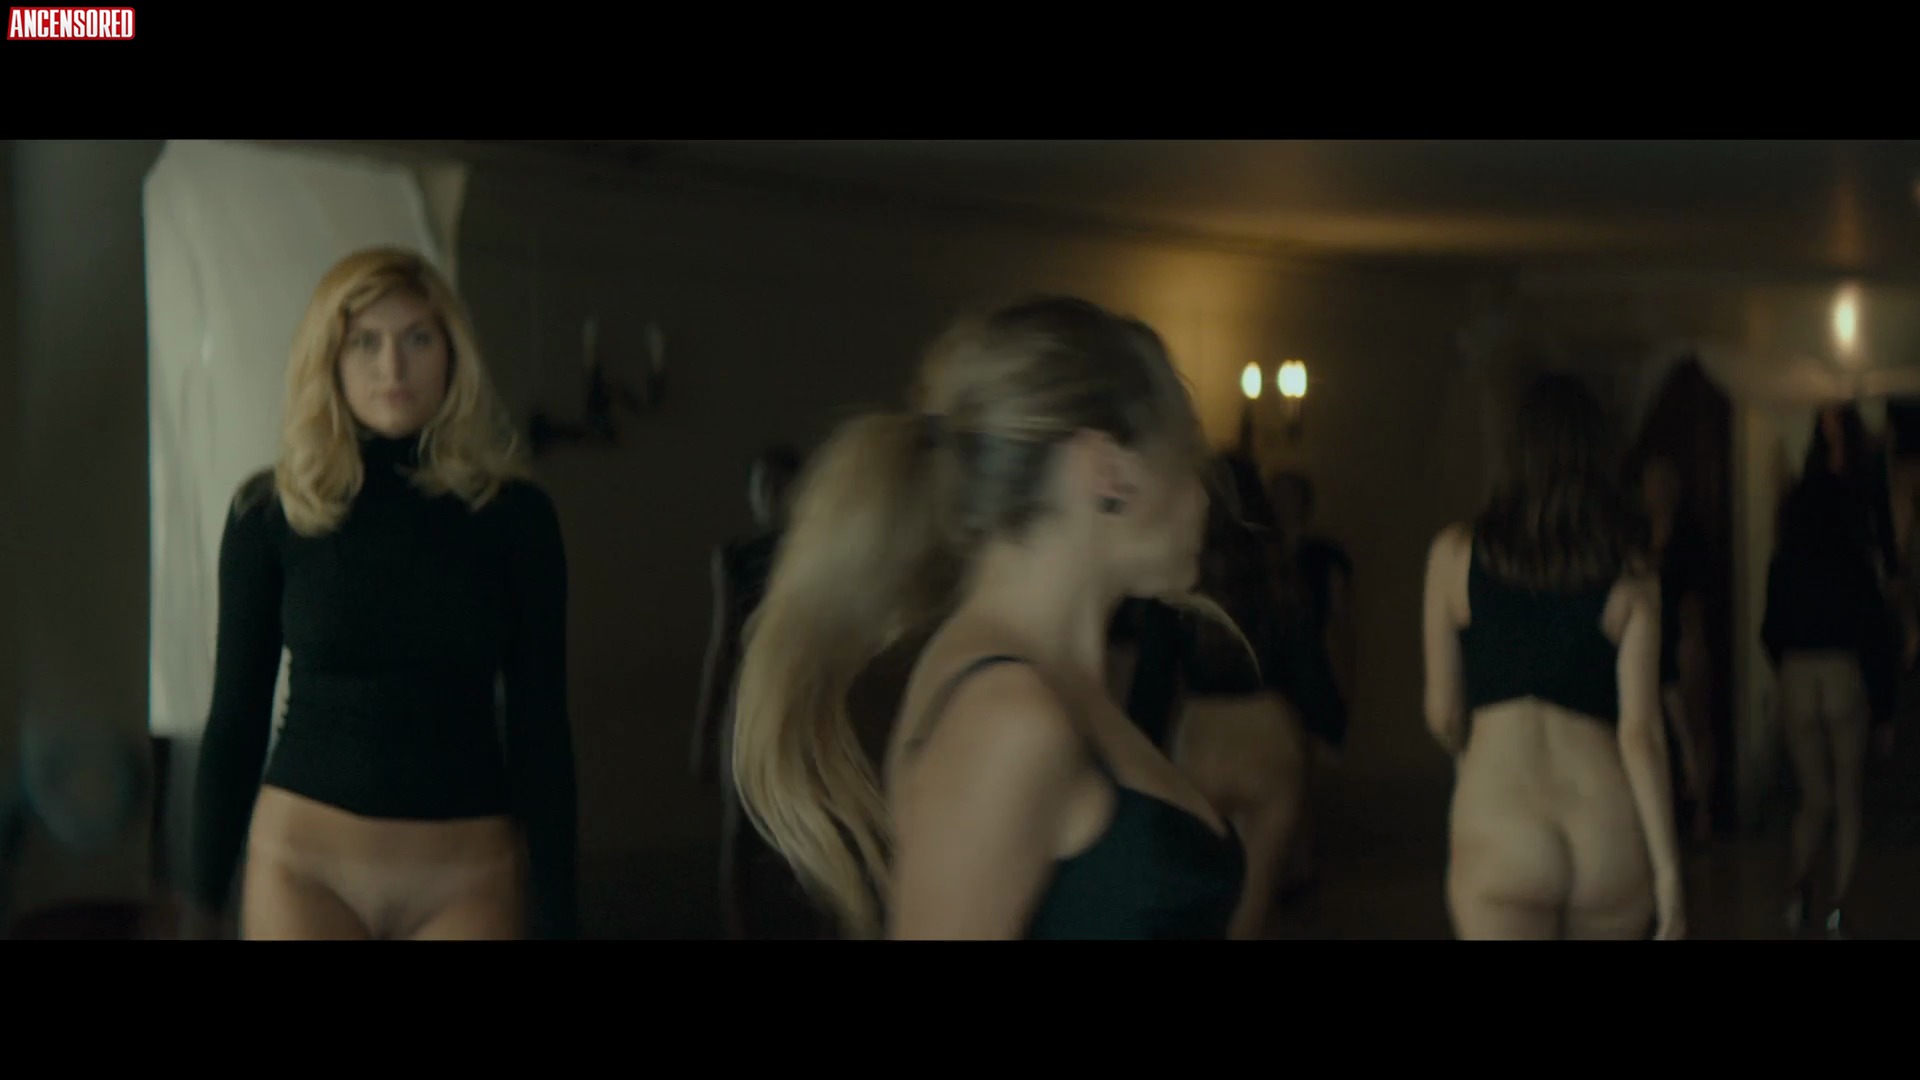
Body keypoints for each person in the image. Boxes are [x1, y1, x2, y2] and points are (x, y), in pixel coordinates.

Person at [731, 297, 1244, 939]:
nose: (1202, 497)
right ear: (1107, 470)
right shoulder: (1006, 714)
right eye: (1187, 456)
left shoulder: (1047, 682)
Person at [184, 247, 576, 940]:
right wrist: (194, 909)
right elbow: (235, 722)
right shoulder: (271, 511)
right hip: (304, 869)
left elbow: (540, 726)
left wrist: (564, 915)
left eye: (417, 339)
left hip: (467, 876)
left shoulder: (515, 517)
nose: (391, 367)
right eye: (365, 342)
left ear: (452, 354)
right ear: (330, 359)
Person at [1423, 372, 1684, 940]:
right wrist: (1669, 879)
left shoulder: (1454, 554)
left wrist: (1474, 757)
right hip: (1606, 833)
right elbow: (1642, 736)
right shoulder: (1633, 571)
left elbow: (1442, 714)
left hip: (1503, 827)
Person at [1107, 453, 1307, 939]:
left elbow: (1154, 678)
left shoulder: (1182, 577)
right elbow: (1305, 660)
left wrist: (1133, 758)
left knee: (1198, 910)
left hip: (1204, 735)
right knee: (1251, 913)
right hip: (1271, 730)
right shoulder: (1277, 570)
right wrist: (1330, 724)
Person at [1763, 404, 1902, 939]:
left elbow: (1769, 626)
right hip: (1842, 671)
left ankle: (1797, 890)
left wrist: (1785, 667)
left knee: (1812, 798)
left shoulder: (1790, 539)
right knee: (1847, 799)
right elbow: (1875, 626)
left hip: (1798, 674)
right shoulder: (1854, 541)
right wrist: (1885, 708)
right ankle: (1838, 911)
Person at [690, 445, 829, 939]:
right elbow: (722, 645)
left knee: (810, 825)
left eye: (780, 485)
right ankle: (739, 928)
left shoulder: (814, 557)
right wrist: (705, 731)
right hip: (748, 701)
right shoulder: (737, 558)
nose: (771, 496)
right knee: (741, 831)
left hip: (799, 703)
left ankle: (822, 924)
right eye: (762, 487)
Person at [1639, 456, 1714, 843]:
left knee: (1690, 730)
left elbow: (1693, 599)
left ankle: (1702, 813)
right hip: (1646, 644)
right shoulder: (1636, 535)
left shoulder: (1688, 538)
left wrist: (1692, 645)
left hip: (1678, 642)